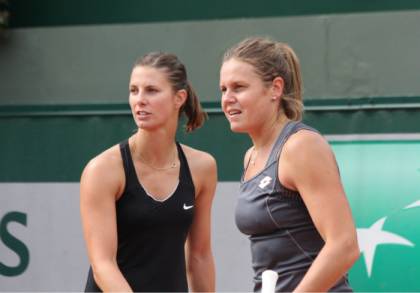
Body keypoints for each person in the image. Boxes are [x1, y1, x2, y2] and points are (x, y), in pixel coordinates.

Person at [219, 37, 360, 292]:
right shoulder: (250, 155)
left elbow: (344, 245)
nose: (228, 98)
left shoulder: (300, 147)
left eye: (238, 87)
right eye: (223, 89)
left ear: (275, 88)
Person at [80, 52, 217, 292]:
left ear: (179, 98)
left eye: (151, 90)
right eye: (134, 90)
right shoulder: (102, 170)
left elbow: (200, 256)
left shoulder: (203, 168)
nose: (139, 100)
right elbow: (103, 265)